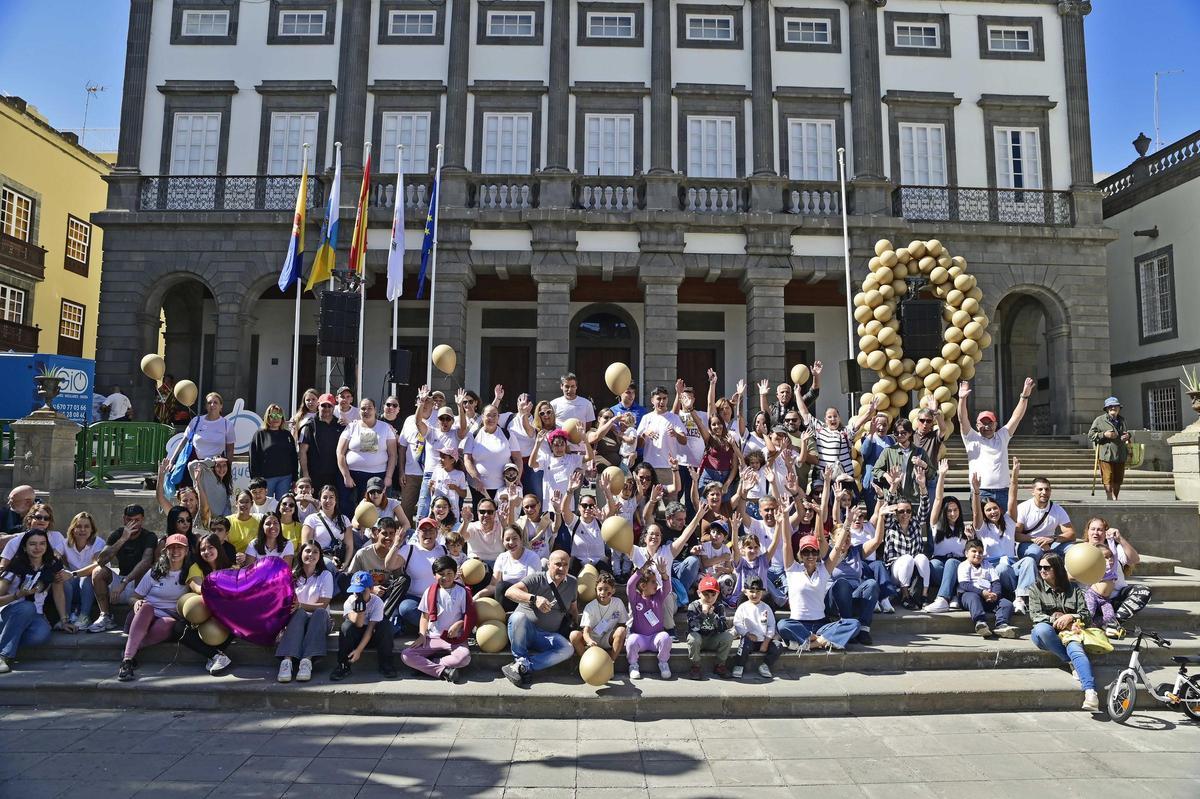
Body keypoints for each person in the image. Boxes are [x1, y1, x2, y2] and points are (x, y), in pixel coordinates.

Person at [118, 534, 230, 681]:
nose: (175, 550)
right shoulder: (154, 572)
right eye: (171, 547)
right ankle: (127, 661)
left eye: (179, 547)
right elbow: (134, 596)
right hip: (143, 615)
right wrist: (136, 602)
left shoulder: (189, 572)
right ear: (166, 550)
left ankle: (133, 647)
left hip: (166, 619)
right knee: (147, 607)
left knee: (171, 624)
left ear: (186, 551)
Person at [1028, 552, 1100, 712]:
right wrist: (1058, 619)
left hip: (1071, 632)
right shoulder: (1035, 588)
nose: (1042, 570)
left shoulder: (1073, 589)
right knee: (1041, 629)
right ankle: (1069, 660)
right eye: (1039, 567)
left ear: (1057, 569)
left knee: (1077, 650)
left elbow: (1086, 615)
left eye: (1046, 567)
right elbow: (1035, 615)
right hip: (1047, 634)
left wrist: (1071, 617)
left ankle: (1090, 692)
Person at [777, 525, 860, 654]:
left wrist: (847, 522)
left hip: (821, 625)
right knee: (782, 625)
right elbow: (786, 542)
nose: (810, 556)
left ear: (818, 554)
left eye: (814, 552)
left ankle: (811, 644)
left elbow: (837, 548)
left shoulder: (824, 569)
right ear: (800, 554)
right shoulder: (792, 569)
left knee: (854, 624)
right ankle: (822, 641)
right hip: (799, 625)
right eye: (806, 552)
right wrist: (785, 516)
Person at [0, 530, 73, 672]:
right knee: (27, 607)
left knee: (41, 635)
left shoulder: (52, 563)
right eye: (32, 544)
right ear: (25, 547)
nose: (37, 548)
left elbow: (58, 592)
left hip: (36, 615)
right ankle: (3, 655)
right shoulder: (15, 565)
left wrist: (64, 620)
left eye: (42, 544)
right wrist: (17, 594)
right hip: (10, 613)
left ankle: (6, 640)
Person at [501, 550, 577, 686]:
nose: (561, 568)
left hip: (547, 636)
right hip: (525, 633)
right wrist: (534, 599)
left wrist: (577, 625)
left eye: (565, 565)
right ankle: (520, 658)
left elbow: (573, 608)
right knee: (518, 617)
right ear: (548, 564)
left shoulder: (572, 583)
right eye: (557, 564)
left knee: (568, 649)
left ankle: (523, 665)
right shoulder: (536, 578)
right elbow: (509, 592)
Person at [956, 377, 1034, 510]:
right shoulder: (971, 438)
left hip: (1003, 492)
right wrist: (962, 399)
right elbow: (962, 419)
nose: (986, 426)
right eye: (983, 423)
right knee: (981, 528)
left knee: (1003, 528)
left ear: (996, 424)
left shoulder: (1002, 436)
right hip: (980, 491)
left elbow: (1016, 417)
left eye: (990, 423)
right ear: (977, 425)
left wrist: (1024, 396)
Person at [402, 555, 477, 683]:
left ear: (455, 574)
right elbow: (424, 616)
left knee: (464, 658)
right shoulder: (429, 591)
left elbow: (468, 616)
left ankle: (428, 666)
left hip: (454, 638)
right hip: (433, 637)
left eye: (449, 573)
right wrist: (422, 634)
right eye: (441, 574)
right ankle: (443, 671)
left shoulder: (463, 592)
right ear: (434, 575)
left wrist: (459, 624)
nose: (446, 577)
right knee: (406, 655)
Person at [86, 505, 158, 632]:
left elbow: (146, 561)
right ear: (124, 519)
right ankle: (105, 616)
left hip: (137, 584)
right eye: (129, 520)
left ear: (142, 520)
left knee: (147, 570)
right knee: (98, 572)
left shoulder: (149, 536)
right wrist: (123, 539)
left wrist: (125, 582)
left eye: (137, 520)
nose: (133, 523)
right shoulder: (118, 534)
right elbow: (101, 561)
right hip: (119, 581)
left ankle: (138, 614)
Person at [276, 541, 333, 683]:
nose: (311, 555)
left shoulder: (325, 575)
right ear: (301, 554)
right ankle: (287, 662)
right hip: (298, 620)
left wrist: (301, 605)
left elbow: (323, 604)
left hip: (319, 621)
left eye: (315, 552)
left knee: (319, 613)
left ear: (320, 556)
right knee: (299, 613)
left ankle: (306, 662)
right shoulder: (293, 575)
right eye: (307, 551)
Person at [798, 391, 877, 493]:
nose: (833, 419)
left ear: (839, 418)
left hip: (844, 477)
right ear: (825, 420)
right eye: (829, 417)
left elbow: (857, 424)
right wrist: (797, 394)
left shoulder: (845, 432)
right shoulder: (820, 429)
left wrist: (869, 412)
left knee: (847, 506)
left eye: (835, 416)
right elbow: (804, 413)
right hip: (824, 478)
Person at [879, 467, 932, 609]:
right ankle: (905, 596)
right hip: (895, 570)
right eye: (901, 511)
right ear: (896, 513)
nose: (905, 514)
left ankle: (924, 595)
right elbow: (889, 504)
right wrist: (894, 485)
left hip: (913, 569)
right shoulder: (891, 524)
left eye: (908, 511)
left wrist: (922, 486)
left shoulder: (915, 523)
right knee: (908, 558)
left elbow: (925, 508)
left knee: (921, 557)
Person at [1083, 517, 1151, 625]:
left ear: (1106, 532)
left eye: (1100, 529)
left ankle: (1114, 622)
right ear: (1088, 531)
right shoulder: (1080, 550)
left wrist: (1120, 539)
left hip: (1116, 599)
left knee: (1144, 591)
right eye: (1093, 529)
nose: (1096, 532)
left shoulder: (1114, 549)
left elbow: (1135, 559)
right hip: (1090, 598)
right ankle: (1097, 621)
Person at [331, 571, 397, 680]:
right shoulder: (349, 601)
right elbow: (358, 623)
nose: (358, 595)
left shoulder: (377, 602)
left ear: (371, 589)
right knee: (346, 627)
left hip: (371, 636)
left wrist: (359, 651)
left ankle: (386, 664)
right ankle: (343, 665)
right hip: (356, 635)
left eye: (362, 591)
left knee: (385, 626)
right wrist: (360, 608)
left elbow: (370, 628)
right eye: (356, 592)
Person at [923, 460, 970, 613]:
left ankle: (943, 599)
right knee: (933, 565)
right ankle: (954, 596)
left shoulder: (965, 529)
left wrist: (970, 539)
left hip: (959, 565)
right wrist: (941, 475)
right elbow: (937, 499)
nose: (953, 513)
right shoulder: (936, 524)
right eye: (949, 510)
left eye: (955, 510)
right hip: (939, 564)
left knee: (951, 562)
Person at [1014, 472, 1076, 584]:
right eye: (1040, 489)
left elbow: (1071, 533)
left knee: (1072, 549)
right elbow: (1016, 535)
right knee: (1036, 552)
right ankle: (1037, 584)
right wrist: (1034, 540)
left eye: (1047, 489)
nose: (1044, 492)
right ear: (1033, 491)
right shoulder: (1023, 508)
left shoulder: (1057, 509)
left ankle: (1070, 581)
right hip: (1029, 543)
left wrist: (1053, 539)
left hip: (1051, 542)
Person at [388, 518, 448, 633]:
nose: (427, 533)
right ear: (418, 532)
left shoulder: (444, 550)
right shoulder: (409, 548)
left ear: (436, 533)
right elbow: (390, 565)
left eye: (431, 530)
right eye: (423, 530)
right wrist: (396, 544)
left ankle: (428, 628)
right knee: (406, 608)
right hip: (414, 599)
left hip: (438, 598)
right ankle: (433, 629)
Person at [337, 399, 398, 509]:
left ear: (375, 410)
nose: (366, 411)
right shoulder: (351, 427)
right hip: (352, 476)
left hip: (377, 476)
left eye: (370, 408)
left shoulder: (385, 428)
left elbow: (393, 455)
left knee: (375, 509)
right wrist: (346, 476)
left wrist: (388, 477)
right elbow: (340, 453)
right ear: (359, 411)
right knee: (348, 507)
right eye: (363, 408)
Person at [463, 403, 522, 505]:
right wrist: (476, 478)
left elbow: (517, 458)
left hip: (503, 488)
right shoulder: (473, 435)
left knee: (503, 518)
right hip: (479, 488)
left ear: (498, 417)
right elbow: (467, 459)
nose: (491, 418)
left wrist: (518, 477)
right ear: (482, 417)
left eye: (495, 415)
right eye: (488, 415)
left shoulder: (508, 434)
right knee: (481, 519)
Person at [957, 538, 1017, 638]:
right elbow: (964, 585)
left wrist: (995, 594)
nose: (978, 554)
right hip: (969, 596)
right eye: (974, 551)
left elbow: (996, 582)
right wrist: (982, 592)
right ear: (966, 553)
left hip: (988, 597)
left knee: (1007, 604)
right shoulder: (963, 565)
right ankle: (980, 623)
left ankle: (1001, 625)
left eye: (980, 552)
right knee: (973, 597)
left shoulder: (987, 565)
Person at [624, 559, 672, 679]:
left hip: (655, 638)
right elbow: (630, 585)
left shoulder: (658, 597)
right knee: (631, 640)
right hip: (641, 638)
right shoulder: (635, 598)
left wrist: (663, 573)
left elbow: (667, 587)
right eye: (653, 582)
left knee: (665, 637)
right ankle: (633, 665)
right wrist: (641, 571)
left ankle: (663, 663)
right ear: (643, 585)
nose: (657, 585)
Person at [570, 570, 628, 663]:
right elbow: (586, 631)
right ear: (595, 590)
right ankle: (586, 662)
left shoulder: (618, 603)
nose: (602, 592)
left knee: (621, 631)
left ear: (613, 590)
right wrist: (589, 641)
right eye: (600, 589)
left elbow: (622, 624)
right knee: (574, 635)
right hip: (592, 638)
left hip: (607, 638)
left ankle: (610, 662)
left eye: (606, 589)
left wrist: (618, 637)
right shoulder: (590, 606)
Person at [479, 525, 541, 611]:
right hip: (504, 599)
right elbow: (494, 585)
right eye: (507, 539)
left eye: (515, 538)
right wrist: (476, 597)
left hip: (524, 601)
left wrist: (513, 592)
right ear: (503, 542)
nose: (511, 542)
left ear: (521, 539)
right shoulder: (502, 557)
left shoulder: (532, 557)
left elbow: (532, 587)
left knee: (502, 586)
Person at [635, 387, 687, 488]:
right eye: (659, 399)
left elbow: (684, 440)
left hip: (668, 467)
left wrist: (676, 434)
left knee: (671, 500)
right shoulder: (646, 418)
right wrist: (645, 434)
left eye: (664, 398)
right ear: (652, 400)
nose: (662, 402)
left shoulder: (674, 418)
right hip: (649, 468)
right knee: (649, 500)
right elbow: (638, 445)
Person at [169, 393, 235, 472]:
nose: (212, 405)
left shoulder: (227, 425)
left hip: (217, 468)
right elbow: (183, 442)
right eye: (209, 403)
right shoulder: (196, 421)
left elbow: (230, 450)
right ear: (206, 406)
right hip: (194, 466)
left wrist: (228, 468)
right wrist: (172, 461)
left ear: (221, 406)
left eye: (215, 402)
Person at [732, 577, 781, 679]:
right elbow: (737, 623)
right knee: (744, 644)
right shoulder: (743, 607)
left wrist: (767, 641)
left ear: (762, 593)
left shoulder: (766, 608)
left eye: (758, 591)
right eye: (751, 591)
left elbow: (771, 625)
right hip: (749, 640)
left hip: (764, 641)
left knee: (778, 646)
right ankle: (739, 665)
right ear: (746, 592)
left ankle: (765, 665)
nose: (754, 595)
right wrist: (747, 634)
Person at [685, 574, 733, 679]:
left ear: (717, 594)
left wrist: (712, 615)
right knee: (693, 638)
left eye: (713, 594)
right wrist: (703, 614)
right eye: (706, 594)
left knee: (728, 636)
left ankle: (720, 665)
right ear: (699, 594)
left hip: (712, 639)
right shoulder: (693, 606)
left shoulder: (719, 606)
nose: (709, 598)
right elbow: (693, 627)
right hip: (699, 639)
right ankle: (696, 666)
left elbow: (722, 628)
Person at [871, 418, 928, 504]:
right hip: (893, 497)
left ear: (910, 433)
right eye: (896, 433)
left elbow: (932, 474)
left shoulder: (919, 452)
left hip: (913, 499)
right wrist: (886, 475)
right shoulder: (889, 451)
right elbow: (875, 470)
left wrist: (924, 465)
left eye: (903, 433)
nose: (900, 435)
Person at [397, 389, 435, 518]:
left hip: (432, 474)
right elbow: (402, 447)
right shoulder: (409, 420)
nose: (424, 403)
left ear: (433, 403)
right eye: (421, 400)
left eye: (427, 400)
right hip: (411, 474)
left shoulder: (440, 419)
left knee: (429, 511)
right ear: (416, 403)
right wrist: (401, 471)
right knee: (405, 510)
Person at [62, 511, 103, 627]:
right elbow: (55, 555)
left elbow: (97, 564)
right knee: (62, 577)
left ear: (92, 529)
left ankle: (84, 616)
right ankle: (67, 616)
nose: (82, 530)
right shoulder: (65, 543)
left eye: (86, 527)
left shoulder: (98, 542)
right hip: (74, 585)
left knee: (86, 579)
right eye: (78, 526)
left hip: (91, 587)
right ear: (73, 529)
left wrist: (74, 574)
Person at [299, 394, 345, 496]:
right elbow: (302, 451)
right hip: (315, 474)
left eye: (330, 406)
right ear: (318, 406)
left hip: (336, 474)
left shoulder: (340, 425)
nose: (327, 409)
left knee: (333, 503)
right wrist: (305, 474)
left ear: (334, 407)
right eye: (324, 405)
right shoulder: (310, 425)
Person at [250, 403, 298, 500]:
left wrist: (294, 478)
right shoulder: (259, 435)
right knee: (265, 506)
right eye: (272, 415)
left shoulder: (287, 435)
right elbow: (253, 458)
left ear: (282, 417)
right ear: (267, 417)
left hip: (285, 477)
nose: (276, 418)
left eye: (278, 415)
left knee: (282, 506)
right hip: (266, 479)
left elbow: (293, 457)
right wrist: (255, 479)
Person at [1089, 397, 1131, 500]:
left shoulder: (1122, 420)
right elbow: (1091, 435)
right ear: (1107, 408)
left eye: (1116, 406)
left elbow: (1127, 432)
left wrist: (1128, 435)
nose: (1113, 408)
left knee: (1118, 479)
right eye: (1111, 406)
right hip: (1105, 454)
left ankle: (1115, 498)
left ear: (1119, 408)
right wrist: (1104, 434)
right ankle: (1109, 498)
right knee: (1107, 477)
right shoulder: (1099, 420)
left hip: (1120, 454)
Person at [1084, 547, 1123, 637]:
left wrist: (1110, 540)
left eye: (1110, 557)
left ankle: (1094, 624)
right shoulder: (1097, 570)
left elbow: (1115, 554)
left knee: (1110, 617)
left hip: (1105, 600)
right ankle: (1084, 626)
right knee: (1090, 612)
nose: (1109, 559)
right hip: (1092, 595)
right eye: (1105, 557)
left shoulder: (1113, 570)